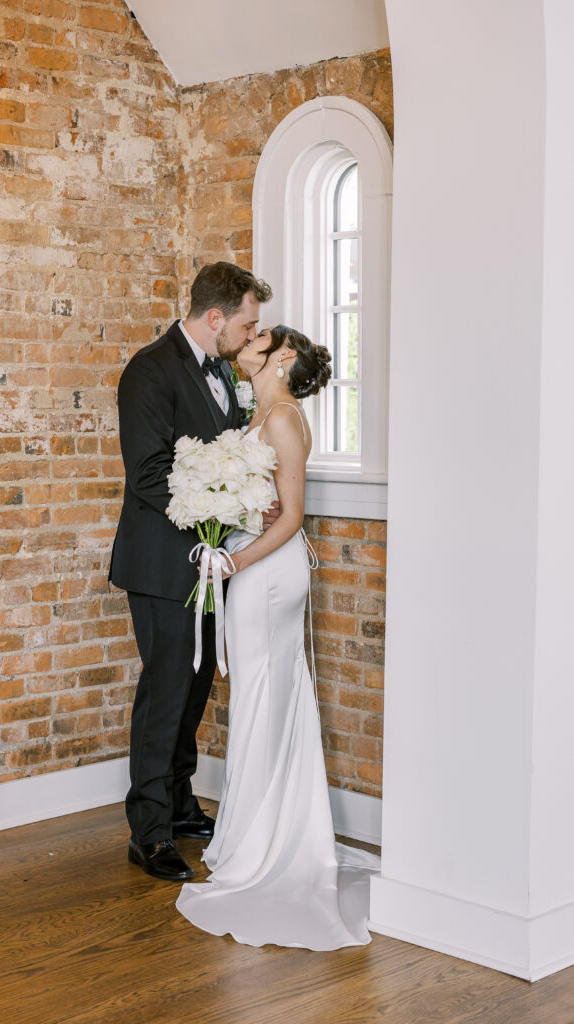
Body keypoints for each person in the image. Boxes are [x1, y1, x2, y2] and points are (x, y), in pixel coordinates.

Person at [175, 325, 382, 950]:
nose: (248, 338)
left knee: (266, 696)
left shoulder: (284, 418)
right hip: (253, 563)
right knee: (261, 698)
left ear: (283, 357)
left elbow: (291, 517)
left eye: (261, 335)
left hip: (266, 574)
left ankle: (267, 845)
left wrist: (233, 563)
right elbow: (260, 500)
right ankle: (252, 833)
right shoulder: (259, 410)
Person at [108, 261, 277, 882]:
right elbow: (149, 475)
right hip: (162, 566)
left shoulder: (225, 375)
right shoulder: (149, 371)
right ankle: (148, 831)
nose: (250, 335)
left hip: (212, 566)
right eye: (247, 323)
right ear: (216, 318)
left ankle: (178, 803)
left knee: (198, 682)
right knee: (166, 690)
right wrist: (226, 506)